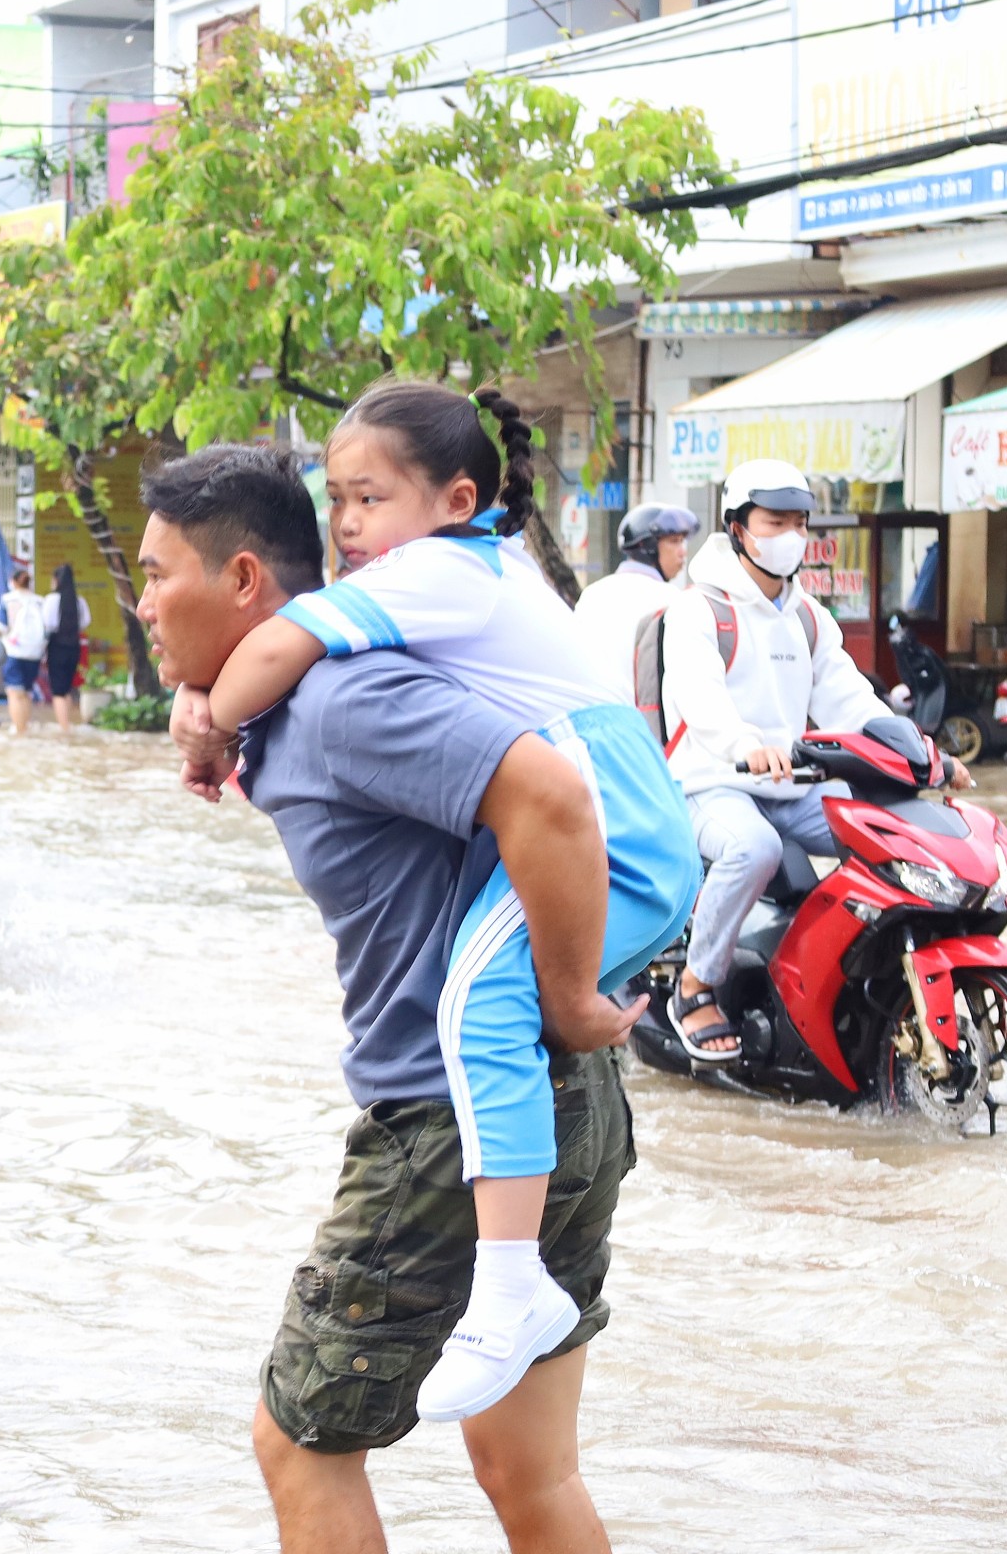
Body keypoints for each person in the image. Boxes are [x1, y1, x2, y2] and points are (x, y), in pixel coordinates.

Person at [143, 443, 638, 1554]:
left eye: (159, 575)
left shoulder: (345, 696)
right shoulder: (309, 685)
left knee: (299, 1439)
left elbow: (550, 798)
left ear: (247, 578)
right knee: (529, 1467)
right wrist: (203, 708)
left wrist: (569, 985)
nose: (141, 601)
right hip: (560, 1107)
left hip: (447, 1121)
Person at [192, 382, 697, 1426]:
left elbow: (284, 645)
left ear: (454, 497)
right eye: (334, 499)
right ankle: (515, 1281)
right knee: (532, 1467)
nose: (346, 524)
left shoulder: (437, 573)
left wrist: (209, 715)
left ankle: (507, 1279)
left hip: (610, 820)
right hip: (620, 809)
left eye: (367, 498)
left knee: (470, 1002)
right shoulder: (474, 575)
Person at [658, 457, 964, 1061]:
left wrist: (926, 757)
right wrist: (746, 745)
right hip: (710, 783)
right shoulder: (700, 610)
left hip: (794, 786)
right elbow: (702, 700)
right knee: (756, 849)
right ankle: (695, 985)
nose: (791, 535)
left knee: (894, 832)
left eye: (800, 521)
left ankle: (863, 973)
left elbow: (852, 700)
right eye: (775, 521)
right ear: (738, 528)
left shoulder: (807, 616)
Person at [569, 503, 694, 697]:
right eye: (674, 541)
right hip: (645, 721)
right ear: (649, 547)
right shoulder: (672, 599)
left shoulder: (592, 594)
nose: (682, 551)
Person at [0, 567, 48, 735]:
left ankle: (19, 732)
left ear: (14, 581)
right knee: (26, 692)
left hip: (14, 651)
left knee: (14, 692)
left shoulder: (7, 599)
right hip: (35, 653)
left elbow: (2, 626)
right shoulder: (39, 601)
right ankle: (24, 727)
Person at [40, 562, 88, 731]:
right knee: (67, 687)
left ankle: (64, 728)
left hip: (57, 646)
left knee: (58, 690)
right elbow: (85, 622)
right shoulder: (79, 600)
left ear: (56, 580)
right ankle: (68, 724)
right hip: (74, 646)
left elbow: (47, 624)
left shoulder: (51, 600)